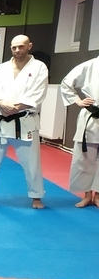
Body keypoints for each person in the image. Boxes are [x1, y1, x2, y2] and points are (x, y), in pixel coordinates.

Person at [0, 34, 49, 209]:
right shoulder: (2, 68)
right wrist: (1, 104)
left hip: (25, 121)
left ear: (29, 46)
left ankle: (36, 196)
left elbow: (38, 93)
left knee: (32, 163)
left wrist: (16, 107)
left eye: (21, 46)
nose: (17, 50)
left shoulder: (39, 67)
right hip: (1, 120)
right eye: (14, 47)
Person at [59, 56, 99, 207]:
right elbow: (66, 83)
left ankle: (98, 196)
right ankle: (87, 195)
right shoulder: (90, 65)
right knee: (84, 158)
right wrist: (78, 100)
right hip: (91, 116)